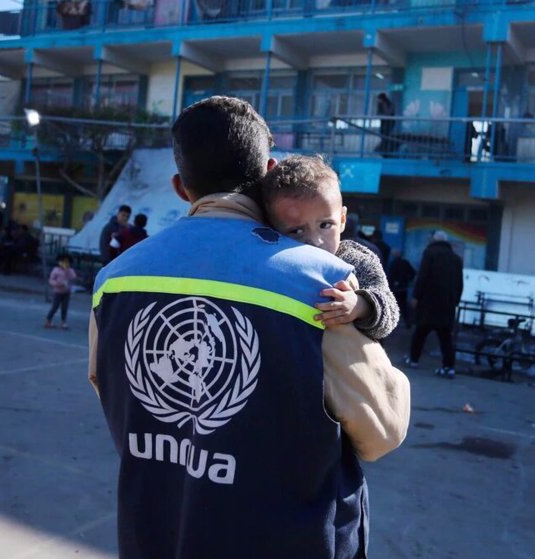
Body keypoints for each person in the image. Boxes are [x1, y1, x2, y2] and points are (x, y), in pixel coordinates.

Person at [88, 96, 409, 558]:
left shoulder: (114, 280)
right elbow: (384, 429)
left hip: (157, 537)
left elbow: (119, 399)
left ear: (180, 187)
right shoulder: (321, 283)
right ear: (267, 173)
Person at [262, 154, 399, 341]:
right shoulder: (272, 262)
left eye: (325, 225)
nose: (315, 240)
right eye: (297, 230)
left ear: (342, 219)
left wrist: (360, 305)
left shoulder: (357, 260)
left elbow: (390, 313)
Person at [405, 230, 464, 378]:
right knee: (445, 337)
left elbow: (423, 276)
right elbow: (459, 283)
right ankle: (449, 367)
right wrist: (455, 300)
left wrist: (416, 296)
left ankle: (413, 360)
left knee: (420, 332)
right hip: (447, 305)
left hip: (429, 303)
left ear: (433, 240)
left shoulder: (430, 253)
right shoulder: (456, 259)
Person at [45, 253, 77, 330]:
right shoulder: (56, 270)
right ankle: (48, 320)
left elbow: (73, 277)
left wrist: (67, 270)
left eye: (67, 262)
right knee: (55, 307)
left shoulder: (70, 270)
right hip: (57, 292)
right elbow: (51, 280)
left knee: (64, 307)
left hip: (66, 292)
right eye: (63, 262)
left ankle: (63, 322)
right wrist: (58, 284)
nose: (65, 264)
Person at [387, 249, 416, 329]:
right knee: (403, 306)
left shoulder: (393, 264)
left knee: (392, 306)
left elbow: (390, 277)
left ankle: (390, 324)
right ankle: (408, 323)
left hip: (395, 289)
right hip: (403, 288)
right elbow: (413, 273)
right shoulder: (405, 262)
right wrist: (407, 280)